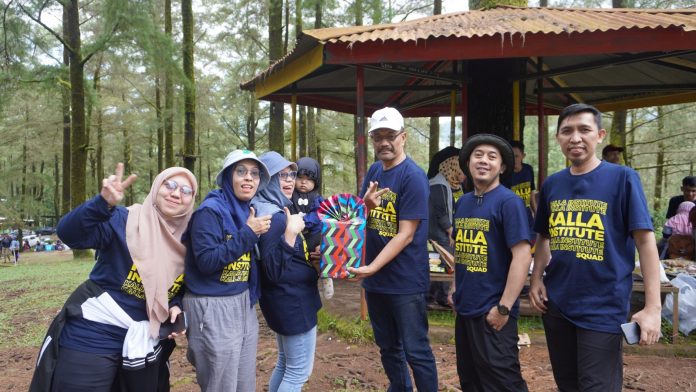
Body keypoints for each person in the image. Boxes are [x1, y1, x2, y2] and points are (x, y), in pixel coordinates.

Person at [30, 163, 197, 392]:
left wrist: (175, 305)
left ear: (192, 199)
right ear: (156, 187)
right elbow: (70, 234)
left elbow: (177, 286)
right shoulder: (123, 219)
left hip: (145, 338)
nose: (176, 193)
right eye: (169, 185)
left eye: (186, 191)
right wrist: (102, 203)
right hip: (94, 331)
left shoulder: (191, 238)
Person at [530, 103, 661, 392]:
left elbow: (645, 241)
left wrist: (653, 307)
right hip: (557, 304)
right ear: (558, 138)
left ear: (599, 135)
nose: (575, 138)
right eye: (567, 131)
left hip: (602, 306)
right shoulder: (552, 184)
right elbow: (543, 237)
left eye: (584, 130)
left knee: (596, 387)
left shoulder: (623, 178)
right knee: (568, 384)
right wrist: (537, 278)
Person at [348, 107, 438, 392]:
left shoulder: (413, 177)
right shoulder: (375, 171)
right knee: (388, 347)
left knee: (416, 350)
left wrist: (372, 267)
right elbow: (361, 218)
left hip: (405, 280)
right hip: (377, 281)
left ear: (404, 137)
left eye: (390, 136)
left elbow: (406, 234)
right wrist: (366, 206)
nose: (384, 142)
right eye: (378, 137)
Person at [448, 134, 533, 392]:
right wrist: (454, 288)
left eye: (491, 157)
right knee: (471, 380)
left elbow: (522, 255)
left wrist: (504, 308)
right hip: (465, 309)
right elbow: (460, 250)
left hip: (494, 312)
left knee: (503, 383)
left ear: (502, 166)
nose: (484, 161)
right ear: (468, 163)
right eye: (478, 155)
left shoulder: (510, 203)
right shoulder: (462, 203)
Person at [183, 149, 271, 392]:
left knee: (244, 384)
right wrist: (248, 233)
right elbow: (207, 262)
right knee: (220, 385)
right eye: (240, 171)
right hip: (212, 305)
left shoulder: (248, 210)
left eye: (254, 174)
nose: (248, 178)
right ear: (227, 177)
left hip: (242, 302)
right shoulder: (209, 211)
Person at [253, 151, 322, 392]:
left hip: (285, 302)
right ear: (267, 179)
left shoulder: (266, 208)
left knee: (285, 364)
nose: (291, 180)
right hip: (292, 304)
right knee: (297, 373)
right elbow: (272, 270)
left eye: (292, 174)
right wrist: (291, 232)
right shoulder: (275, 217)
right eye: (282, 175)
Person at [426, 146, 463, 308]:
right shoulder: (437, 184)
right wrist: (450, 231)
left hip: (444, 230)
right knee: (439, 263)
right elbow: (441, 211)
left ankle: (439, 296)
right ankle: (428, 297)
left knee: (444, 263)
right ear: (450, 165)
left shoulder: (451, 184)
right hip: (437, 231)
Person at [290, 156, 332, 298]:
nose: (303, 182)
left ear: (315, 181)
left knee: (318, 255)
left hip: (313, 234)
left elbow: (319, 214)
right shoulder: (290, 195)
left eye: (308, 179)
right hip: (295, 234)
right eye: (300, 178)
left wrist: (304, 221)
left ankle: (325, 275)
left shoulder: (316, 198)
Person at [502, 140, 537, 235]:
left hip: (527, 215)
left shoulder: (528, 169)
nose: (513, 159)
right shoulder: (504, 174)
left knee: (532, 241)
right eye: (510, 157)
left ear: (523, 156)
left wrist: (536, 213)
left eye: (516, 156)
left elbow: (531, 194)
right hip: (512, 217)